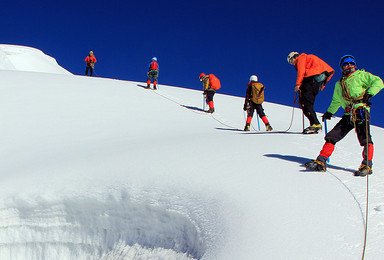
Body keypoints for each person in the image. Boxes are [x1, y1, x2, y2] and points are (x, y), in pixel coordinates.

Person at [305, 55, 384, 176]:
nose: (349, 65)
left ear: (355, 65)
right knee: (332, 136)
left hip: (360, 109)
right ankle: (321, 161)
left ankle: (367, 165)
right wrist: (330, 112)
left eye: (351, 63)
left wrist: (369, 93)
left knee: (365, 138)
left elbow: (378, 82)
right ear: (342, 67)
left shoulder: (362, 75)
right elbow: (336, 100)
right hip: (348, 113)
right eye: (346, 64)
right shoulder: (339, 84)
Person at [287, 52, 335, 134]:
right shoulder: (309, 58)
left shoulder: (301, 58)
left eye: (291, 61)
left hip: (311, 79)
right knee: (307, 104)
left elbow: (301, 71)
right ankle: (314, 123)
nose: (292, 63)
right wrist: (322, 86)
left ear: (294, 57)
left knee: (305, 104)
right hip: (317, 82)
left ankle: (315, 124)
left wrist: (298, 84)